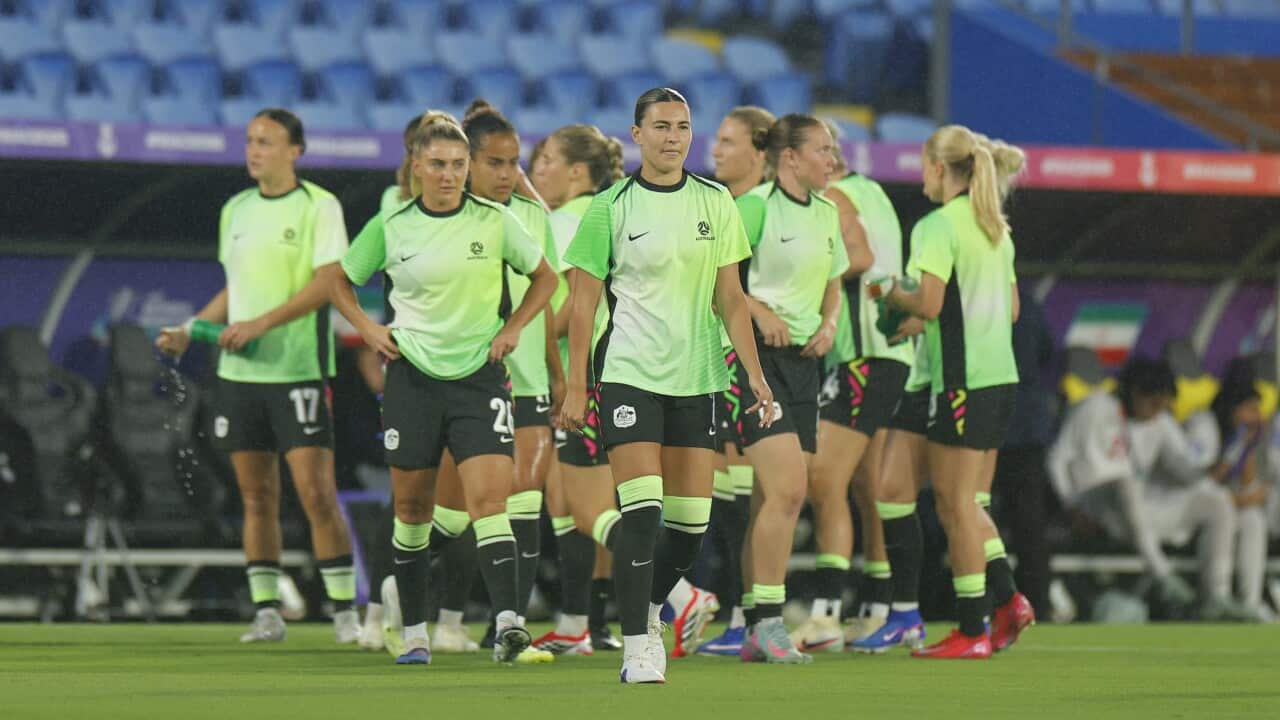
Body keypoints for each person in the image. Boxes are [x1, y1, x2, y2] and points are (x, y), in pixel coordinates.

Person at [559, 87, 775, 684]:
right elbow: (582, 304)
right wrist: (577, 386)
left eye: (682, 125)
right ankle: (637, 649)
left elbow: (730, 298)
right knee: (642, 511)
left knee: (689, 525)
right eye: (660, 126)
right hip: (628, 373)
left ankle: (648, 610)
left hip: (699, 377)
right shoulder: (609, 207)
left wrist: (753, 374)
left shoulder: (716, 202)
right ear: (637, 135)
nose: (673, 136)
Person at [329, 111, 558, 665]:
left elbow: (547, 277)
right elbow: (338, 280)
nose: (449, 174)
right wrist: (368, 330)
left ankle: (507, 625)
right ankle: (413, 633)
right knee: (411, 509)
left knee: (490, 502)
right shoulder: (393, 225)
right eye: (438, 164)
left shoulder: (496, 220)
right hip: (411, 379)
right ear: (417, 166)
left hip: (480, 380)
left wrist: (512, 327)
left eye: (458, 164)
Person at [157, 108, 358, 645]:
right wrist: (191, 327)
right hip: (240, 377)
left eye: (266, 141)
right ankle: (267, 612)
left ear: (295, 151)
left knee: (316, 494)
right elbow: (235, 289)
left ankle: (344, 613)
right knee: (256, 496)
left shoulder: (320, 206)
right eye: (250, 141)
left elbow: (328, 284)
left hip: (298, 371)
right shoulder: (236, 209)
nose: (254, 150)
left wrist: (262, 324)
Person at [877, 124, 1024, 659]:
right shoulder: (994, 228)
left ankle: (973, 628)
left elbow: (932, 303)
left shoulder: (938, 226)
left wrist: (886, 290)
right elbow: (1008, 310)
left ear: (940, 169)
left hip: (961, 381)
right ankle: (1004, 603)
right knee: (960, 501)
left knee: (956, 505)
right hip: (998, 376)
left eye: (923, 167)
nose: (921, 178)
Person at [725, 113, 849, 665]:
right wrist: (757, 308)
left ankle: (751, 620)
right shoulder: (754, 207)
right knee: (789, 491)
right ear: (791, 158)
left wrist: (828, 326)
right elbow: (716, 280)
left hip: (804, 366)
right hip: (755, 362)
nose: (833, 158)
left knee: (768, 497)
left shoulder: (827, 213)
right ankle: (770, 623)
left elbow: (835, 285)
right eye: (823, 149)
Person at [792, 120, 902, 653]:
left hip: (861, 356)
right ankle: (881, 610)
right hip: (888, 356)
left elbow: (858, 260)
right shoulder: (874, 191)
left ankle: (826, 614)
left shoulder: (834, 199)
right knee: (867, 488)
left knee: (823, 480)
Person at [529, 123, 629, 655]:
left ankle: (679, 594)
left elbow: (570, 304)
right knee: (572, 499)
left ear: (576, 172)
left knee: (581, 507)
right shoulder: (606, 212)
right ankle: (585, 624)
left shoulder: (568, 219)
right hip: (609, 371)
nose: (536, 169)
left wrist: (528, 330)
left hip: (576, 379)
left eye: (545, 158)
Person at [698, 106, 774, 657]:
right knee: (735, 498)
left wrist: (757, 308)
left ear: (760, 152)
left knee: (742, 500)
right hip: (739, 362)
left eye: (729, 141)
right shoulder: (749, 204)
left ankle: (745, 615)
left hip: (742, 363)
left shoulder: (747, 208)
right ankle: (743, 612)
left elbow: (716, 282)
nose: (716, 149)